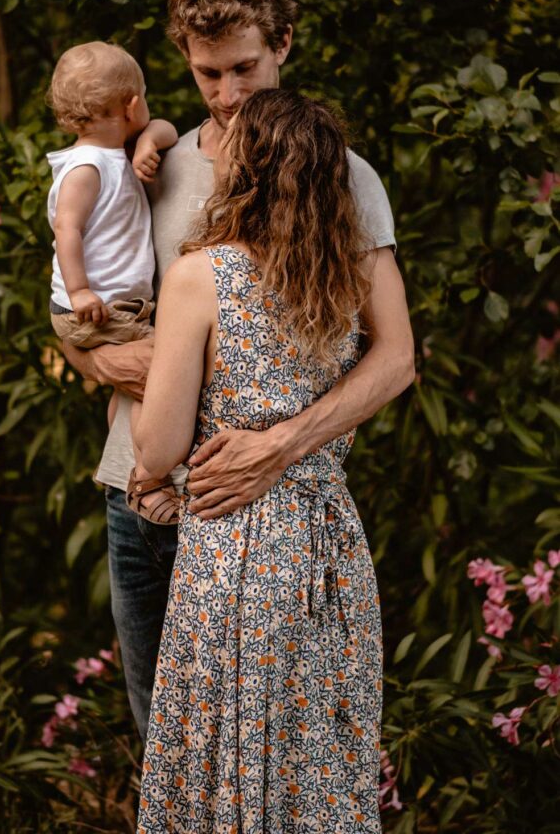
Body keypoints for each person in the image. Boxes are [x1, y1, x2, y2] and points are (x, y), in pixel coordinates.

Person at [62, 0, 415, 744]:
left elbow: (393, 357)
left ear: (284, 42)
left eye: (244, 69)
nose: (226, 97)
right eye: (206, 75)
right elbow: (84, 308)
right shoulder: (151, 168)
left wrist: (279, 446)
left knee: (264, 761)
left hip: (252, 508)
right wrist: (92, 359)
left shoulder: (338, 177)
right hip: (135, 490)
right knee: (166, 755)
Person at [135, 88, 394, 832]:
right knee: (315, 761)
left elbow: (156, 447)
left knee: (225, 753)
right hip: (329, 540)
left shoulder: (201, 276)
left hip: (233, 542)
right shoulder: (344, 274)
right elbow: (392, 359)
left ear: (246, 170)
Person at [46, 40, 182, 522]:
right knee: (164, 371)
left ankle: (124, 452)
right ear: (130, 105)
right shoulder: (86, 169)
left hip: (118, 307)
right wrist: (81, 291)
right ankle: (149, 475)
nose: (149, 107)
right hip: (97, 308)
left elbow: (167, 129)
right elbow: (67, 229)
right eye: (144, 96)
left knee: (133, 388)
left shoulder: (120, 149)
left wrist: (148, 142)